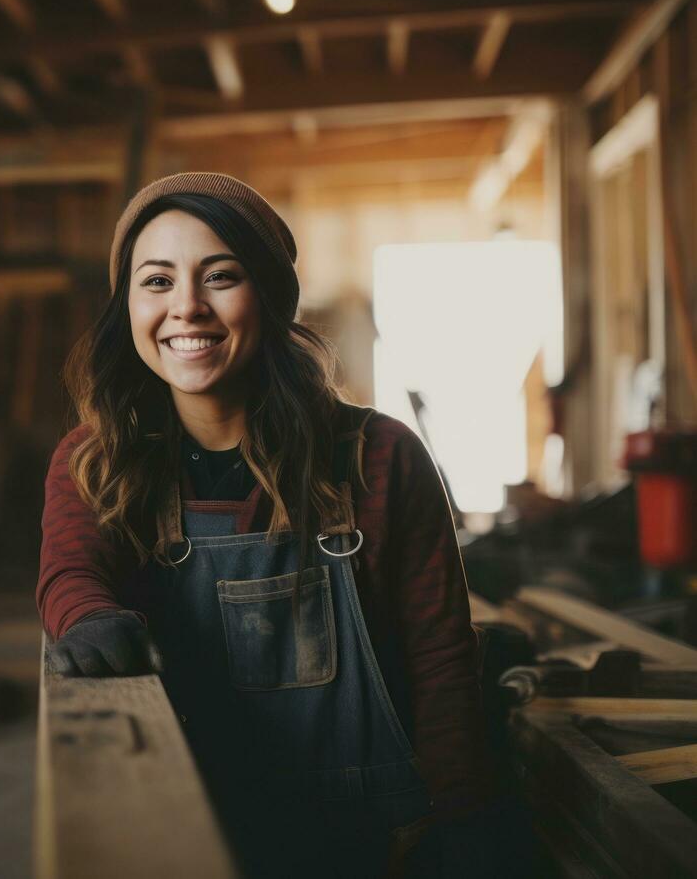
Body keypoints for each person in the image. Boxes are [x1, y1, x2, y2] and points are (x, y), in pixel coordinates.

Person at [36, 173, 525, 878]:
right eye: (156, 282)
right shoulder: (95, 461)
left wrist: (462, 820)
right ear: (127, 307)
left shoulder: (378, 456)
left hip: (377, 841)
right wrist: (87, 618)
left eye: (220, 276)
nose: (187, 308)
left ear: (267, 294)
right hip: (190, 827)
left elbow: (439, 659)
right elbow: (70, 570)